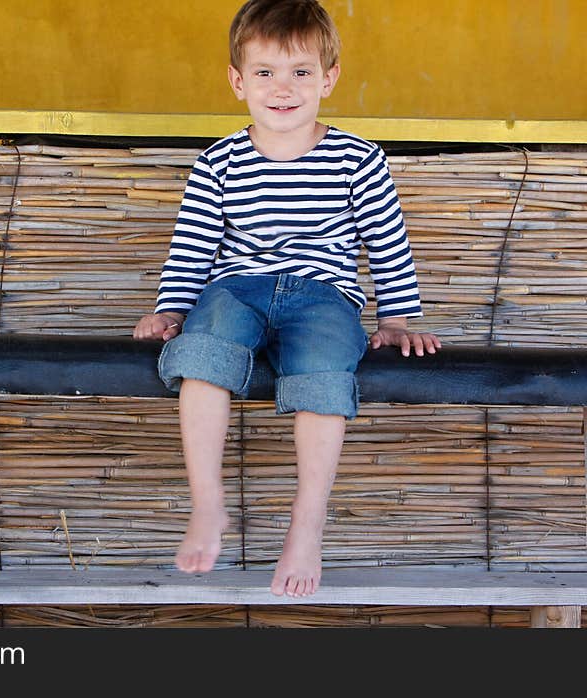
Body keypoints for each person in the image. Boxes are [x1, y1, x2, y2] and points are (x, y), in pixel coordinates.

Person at [133, 0, 441, 597]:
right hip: (235, 288)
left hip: (324, 296)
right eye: (266, 72)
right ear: (237, 80)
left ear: (328, 78)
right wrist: (173, 308)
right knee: (203, 352)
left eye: (301, 72)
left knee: (325, 373)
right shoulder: (217, 163)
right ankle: (208, 505)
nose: (283, 88)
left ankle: (307, 522)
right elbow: (194, 246)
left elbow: (387, 242)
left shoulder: (358, 159)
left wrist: (398, 315)